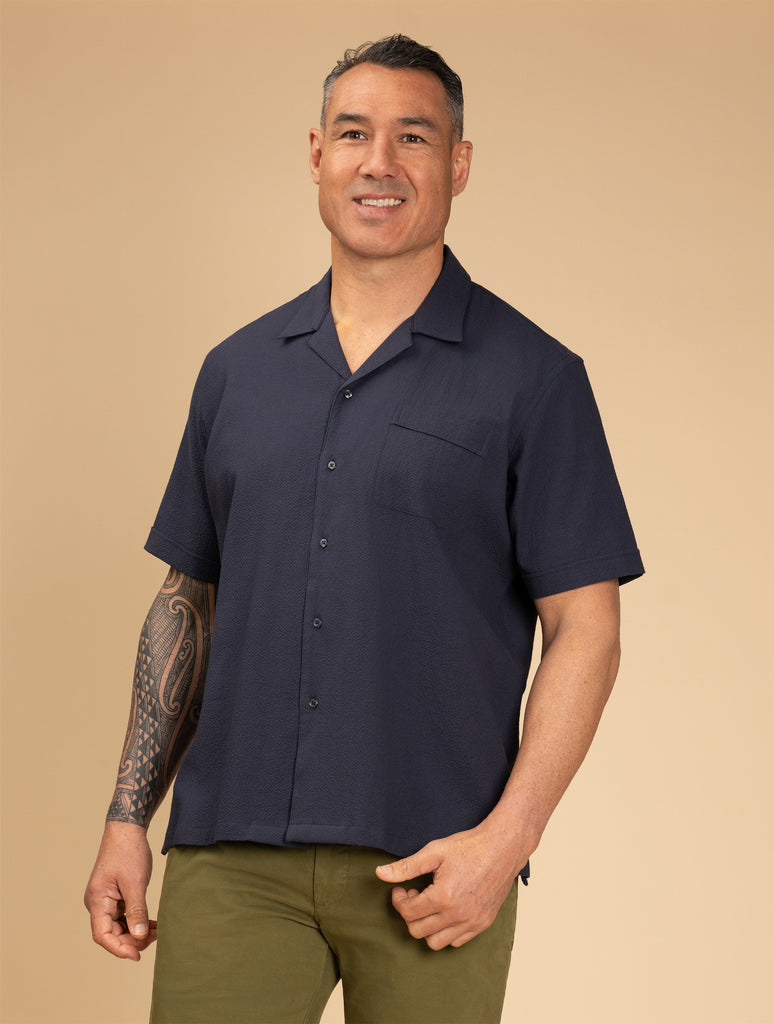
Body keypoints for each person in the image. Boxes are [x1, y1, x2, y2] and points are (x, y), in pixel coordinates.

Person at [84, 34, 644, 1024]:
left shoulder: (536, 378)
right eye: (353, 134)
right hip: (232, 855)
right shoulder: (235, 371)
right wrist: (128, 818)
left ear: (458, 164)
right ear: (317, 155)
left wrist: (508, 839)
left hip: (435, 865)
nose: (378, 162)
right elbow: (187, 602)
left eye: (412, 138)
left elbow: (585, 629)